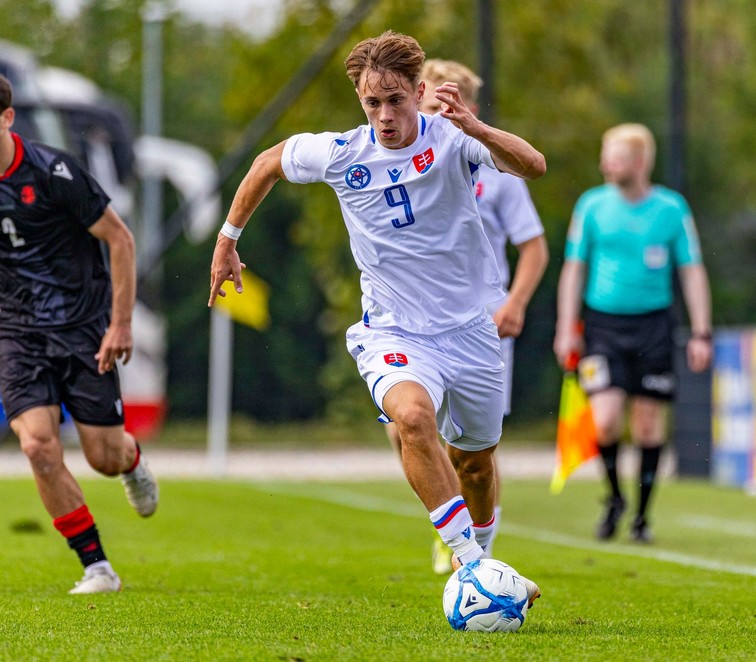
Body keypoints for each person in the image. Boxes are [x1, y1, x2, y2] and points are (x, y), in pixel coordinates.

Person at [208, 31, 544, 604]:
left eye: (396, 100)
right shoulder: (343, 153)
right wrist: (227, 239)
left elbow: (533, 165)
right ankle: (471, 566)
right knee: (412, 418)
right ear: (361, 100)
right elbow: (267, 162)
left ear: (418, 92)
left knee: (477, 465)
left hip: (470, 331)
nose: (385, 115)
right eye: (372, 102)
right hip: (392, 329)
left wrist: (476, 127)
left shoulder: (453, 139)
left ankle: (482, 562)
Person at [0, 68, 159, 594]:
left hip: (83, 325)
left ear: (6, 118)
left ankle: (129, 461)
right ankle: (97, 567)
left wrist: (121, 323)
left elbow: (121, 240)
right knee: (38, 446)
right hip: (17, 330)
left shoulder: (55, 171)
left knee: (103, 458)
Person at [381, 58, 548, 574]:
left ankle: (478, 545)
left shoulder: (492, 171)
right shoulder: (396, 160)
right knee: (408, 425)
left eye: (437, 107)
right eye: (422, 106)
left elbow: (534, 246)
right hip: (411, 322)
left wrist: (515, 303)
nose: (425, 117)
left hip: (481, 321)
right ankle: (453, 532)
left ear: (465, 109)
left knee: (473, 453)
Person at [553, 123, 712, 543]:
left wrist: (701, 332)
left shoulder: (672, 209)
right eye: (606, 154)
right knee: (604, 422)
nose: (607, 163)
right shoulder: (591, 206)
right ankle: (614, 498)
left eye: (616, 156)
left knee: (646, 425)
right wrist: (566, 327)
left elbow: (692, 271)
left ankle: (641, 516)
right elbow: (574, 268)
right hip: (602, 326)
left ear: (640, 163)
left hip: (654, 327)